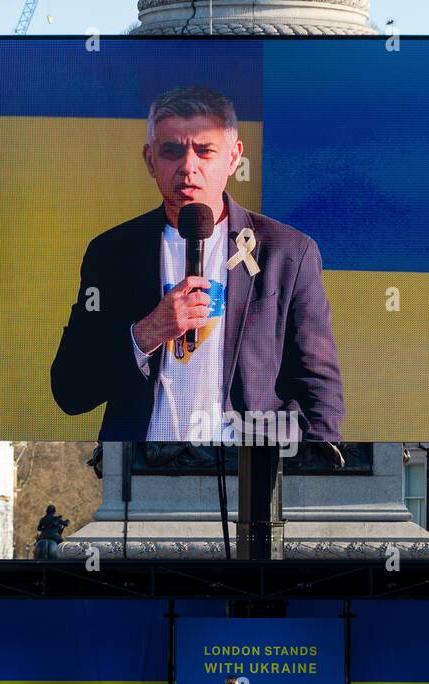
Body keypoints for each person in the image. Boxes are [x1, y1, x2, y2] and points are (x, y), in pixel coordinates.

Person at [50, 85, 345, 443]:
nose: (188, 168)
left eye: (204, 151)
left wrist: (309, 479)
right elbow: (71, 390)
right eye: (172, 151)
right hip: (144, 474)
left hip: (252, 473)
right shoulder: (112, 253)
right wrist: (147, 334)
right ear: (150, 160)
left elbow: (319, 391)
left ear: (234, 158)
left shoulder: (287, 253)